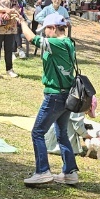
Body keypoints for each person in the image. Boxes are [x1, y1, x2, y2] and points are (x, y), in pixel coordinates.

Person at [16, 13, 80, 186]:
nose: (44, 34)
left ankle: (43, 171)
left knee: (37, 132)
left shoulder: (57, 43)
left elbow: (31, 39)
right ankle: (70, 172)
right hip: (66, 95)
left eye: (46, 30)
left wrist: (22, 22)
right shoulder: (69, 43)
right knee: (62, 134)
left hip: (55, 96)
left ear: (53, 28)